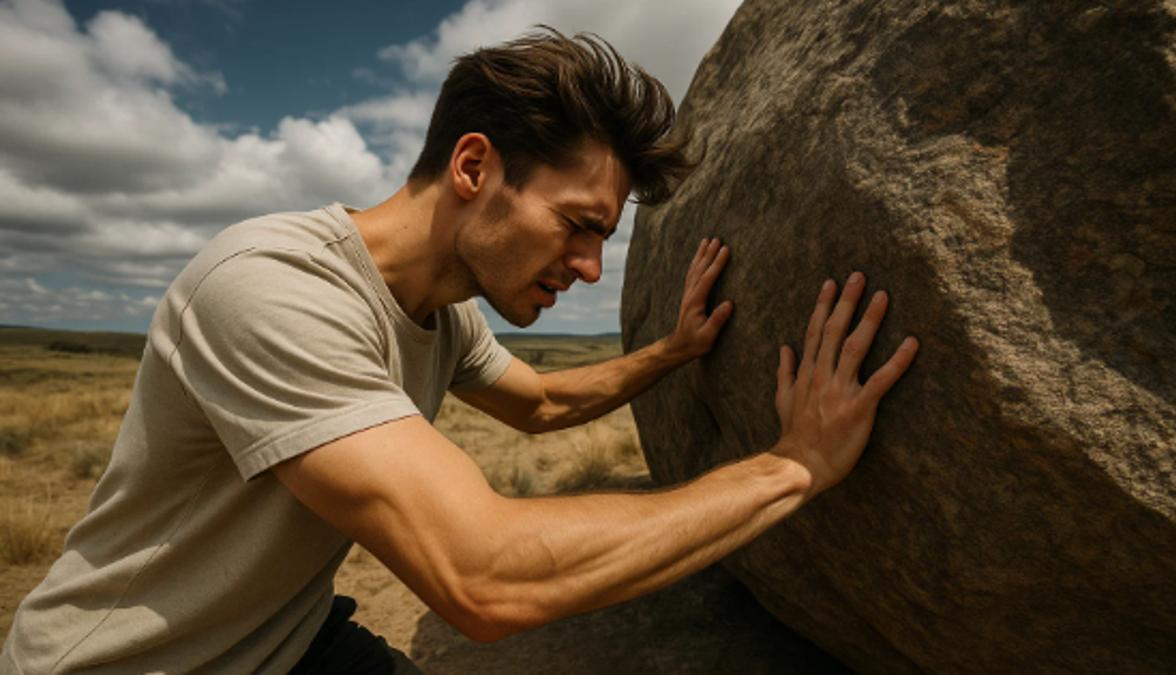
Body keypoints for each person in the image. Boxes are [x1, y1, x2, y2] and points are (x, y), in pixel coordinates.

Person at [1, 29, 918, 674]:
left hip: (285, 642)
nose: (592, 269)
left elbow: (542, 405)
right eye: (576, 225)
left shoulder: (444, 312)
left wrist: (673, 350)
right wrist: (792, 465)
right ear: (474, 169)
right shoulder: (270, 285)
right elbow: (481, 579)